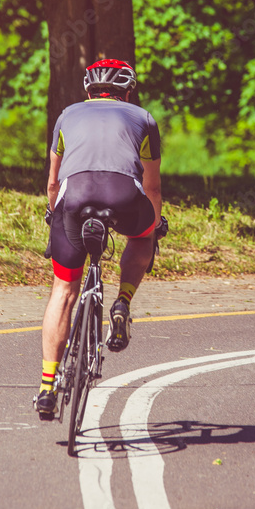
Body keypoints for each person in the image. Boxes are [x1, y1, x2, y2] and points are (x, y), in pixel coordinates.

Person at [34, 58, 164, 419]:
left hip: (74, 198)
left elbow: (52, 182)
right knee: (142, 236)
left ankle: (47, 387)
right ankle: (122, 301)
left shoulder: (66, 115)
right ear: (128, 90)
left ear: (87, 88)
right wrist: (152, 223)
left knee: (63, 291)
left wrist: (54, 213)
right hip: (123, 196)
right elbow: (151, 186)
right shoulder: (144, 118)